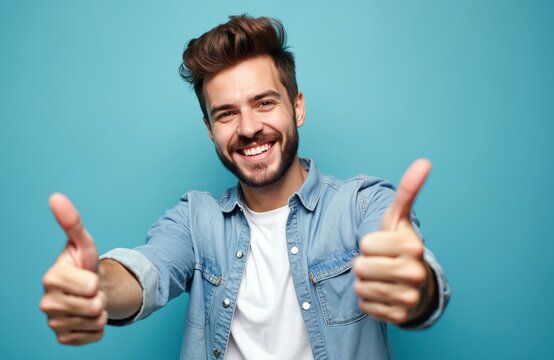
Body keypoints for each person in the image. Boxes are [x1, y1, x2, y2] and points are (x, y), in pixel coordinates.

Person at [40, 15, 450, 359]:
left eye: (264, 102)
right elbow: (147, 270)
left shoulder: (362, 204)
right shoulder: (193, 220)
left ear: (298, 107)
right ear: (210, 129)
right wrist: (95, 285)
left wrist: (413, 284)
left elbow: (414, 276)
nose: (249, 128)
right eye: (226, 114)